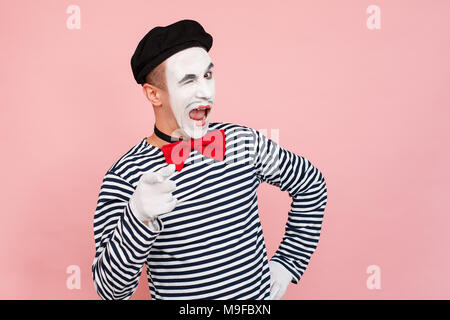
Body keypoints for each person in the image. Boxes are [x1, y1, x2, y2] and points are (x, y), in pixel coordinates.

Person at [92, 19, 328, 300]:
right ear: (154, 94)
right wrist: (137, 218)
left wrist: (288, 262)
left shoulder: (241, 142)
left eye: (207, 76)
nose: (205, 92)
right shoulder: (125, 175)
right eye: (188, 80)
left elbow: (312, 184)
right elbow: (110, 292)